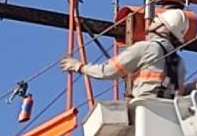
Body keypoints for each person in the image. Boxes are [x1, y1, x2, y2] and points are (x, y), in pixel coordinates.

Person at [59, 8, 188, 99]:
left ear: (164, 28)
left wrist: (80, 67)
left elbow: (109, 71)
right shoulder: (180, 63)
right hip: (168, 117)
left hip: (146, 109)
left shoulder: (147, 48)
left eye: (157, 21)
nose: (152, 23)